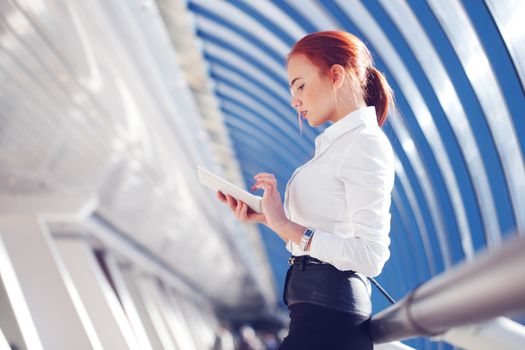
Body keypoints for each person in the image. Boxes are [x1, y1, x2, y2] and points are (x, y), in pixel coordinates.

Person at [217, 31, 395, 350]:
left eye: (300, 85)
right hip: (315, 318)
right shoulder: (337, 145)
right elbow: (324, 232)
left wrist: (286, 226)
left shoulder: (364, 144)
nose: (294, 101)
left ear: (336, 75)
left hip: (330, 323)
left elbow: (371, 256)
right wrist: (268, 217)